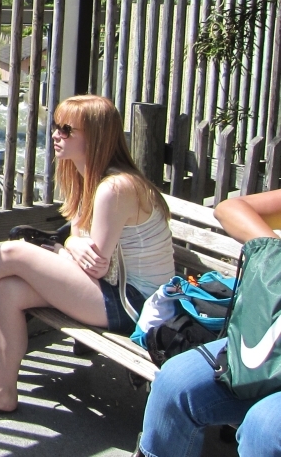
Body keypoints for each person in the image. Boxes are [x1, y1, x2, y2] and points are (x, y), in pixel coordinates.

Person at [0, 95, 175, 420]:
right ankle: (3, 393)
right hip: (114, 293)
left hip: (136, 306)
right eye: (56, 126)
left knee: (11, 252)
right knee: (8, 290)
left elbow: (96, 264)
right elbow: (87, 256)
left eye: (67, 130)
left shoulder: (116, 188)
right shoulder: (95, 181)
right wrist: (72, 247)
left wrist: (69, 247)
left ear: (96, 136)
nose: (56, 134)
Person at [134, 190, 281, 457]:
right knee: (174, 383)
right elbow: (230, 208)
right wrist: (272, 250)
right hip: (272, 338)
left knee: (265, 428)